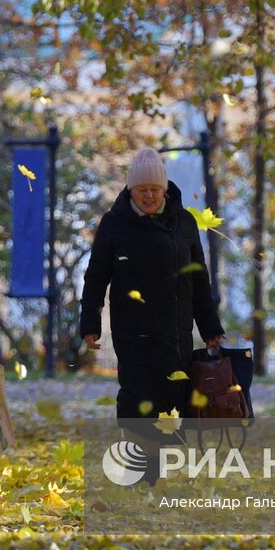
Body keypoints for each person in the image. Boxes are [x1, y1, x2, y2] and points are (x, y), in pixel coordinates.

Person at [80, 148, 224, 418]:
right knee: (137, 397)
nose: (148, 196)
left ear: (165, 188)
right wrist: (90, 322)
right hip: (133, 332)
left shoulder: (185, 222)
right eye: (141, 189)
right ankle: (138, 458)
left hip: (176, 329)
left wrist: (209, 326)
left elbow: (199, 278)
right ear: (130, 189)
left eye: (154, 189)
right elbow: (96, 276)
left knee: (174, 400)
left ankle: (166, 458)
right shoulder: (114, 223)